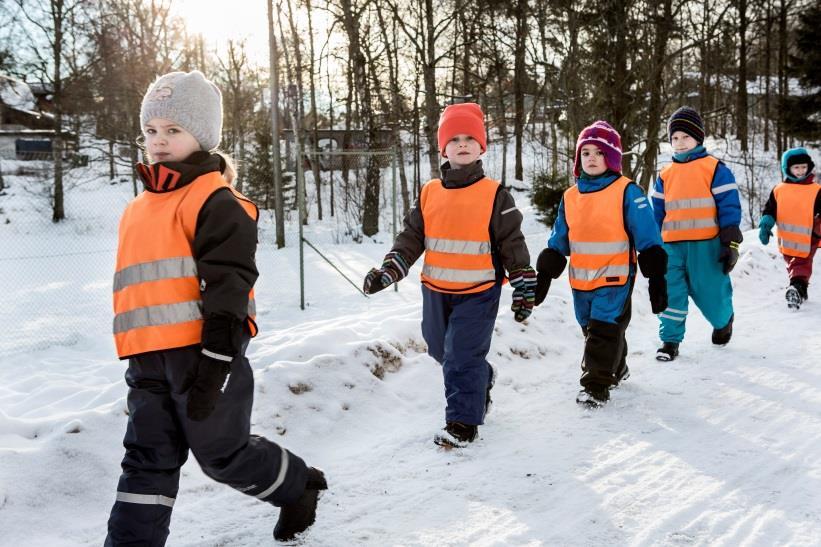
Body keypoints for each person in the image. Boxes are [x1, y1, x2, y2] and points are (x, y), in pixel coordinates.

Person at [105, 70, 326, 545]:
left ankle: (298, 485)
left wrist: (217, 360)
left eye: (173, 130)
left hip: (204, 355)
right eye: (151, 131)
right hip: (146, 360)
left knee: (221, 455)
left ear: (201, 135)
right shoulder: (137, 208)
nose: (159, 141)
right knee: (146, 461)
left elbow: (230, 286)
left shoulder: (216, 200)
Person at [362, 102, 535, 448]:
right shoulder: (430, 192)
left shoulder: (495, 195)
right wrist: (388, 271)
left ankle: (462, 422)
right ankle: (480, 377)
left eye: (470, 137)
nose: (462, 144)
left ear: (481, 145)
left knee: (460, 355)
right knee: (441, 350)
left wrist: (523, 287)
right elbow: (411, 237)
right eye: (454, 138)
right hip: (436, 290)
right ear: (443, 147)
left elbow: (512, 244)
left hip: (479, 290)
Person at [534, 121, 668, 407]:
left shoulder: (626, 191)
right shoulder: (570, 197)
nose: (592, 158)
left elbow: (647, 235)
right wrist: (545, 271)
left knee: (604, 328)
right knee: (590, 327)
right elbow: (560, 237)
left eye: (599, 152)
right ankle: (616, 367)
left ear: (613, 158)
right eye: (586, 152)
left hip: (615, 276)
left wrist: (656, 276)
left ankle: (595, 385)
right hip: (581, 280)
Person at [649, 106, 742, 361]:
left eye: (685, 137)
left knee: (711, 292)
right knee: (672, 293)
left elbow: (729, 207)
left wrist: (730, 242)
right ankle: (670, 341)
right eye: (675, 138)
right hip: (671, 247)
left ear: (698, 137)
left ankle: (723, 321)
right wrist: (652, 245)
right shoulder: (665, 175)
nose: (679, 143)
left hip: (706, 245)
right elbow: (656, 213)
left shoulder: (714, 168)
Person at [758, 147, 821, 309]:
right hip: (786, 238)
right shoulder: (779, 190)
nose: (800, 171)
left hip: (809, 236)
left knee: (801, 264)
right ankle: (801, 289)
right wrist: (765, 225)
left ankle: (796, 290)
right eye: (796, 167)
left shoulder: (816, 190)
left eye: (803, 167)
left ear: (809, 167)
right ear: (788, 168)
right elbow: (770, 210)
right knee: (794, 265)